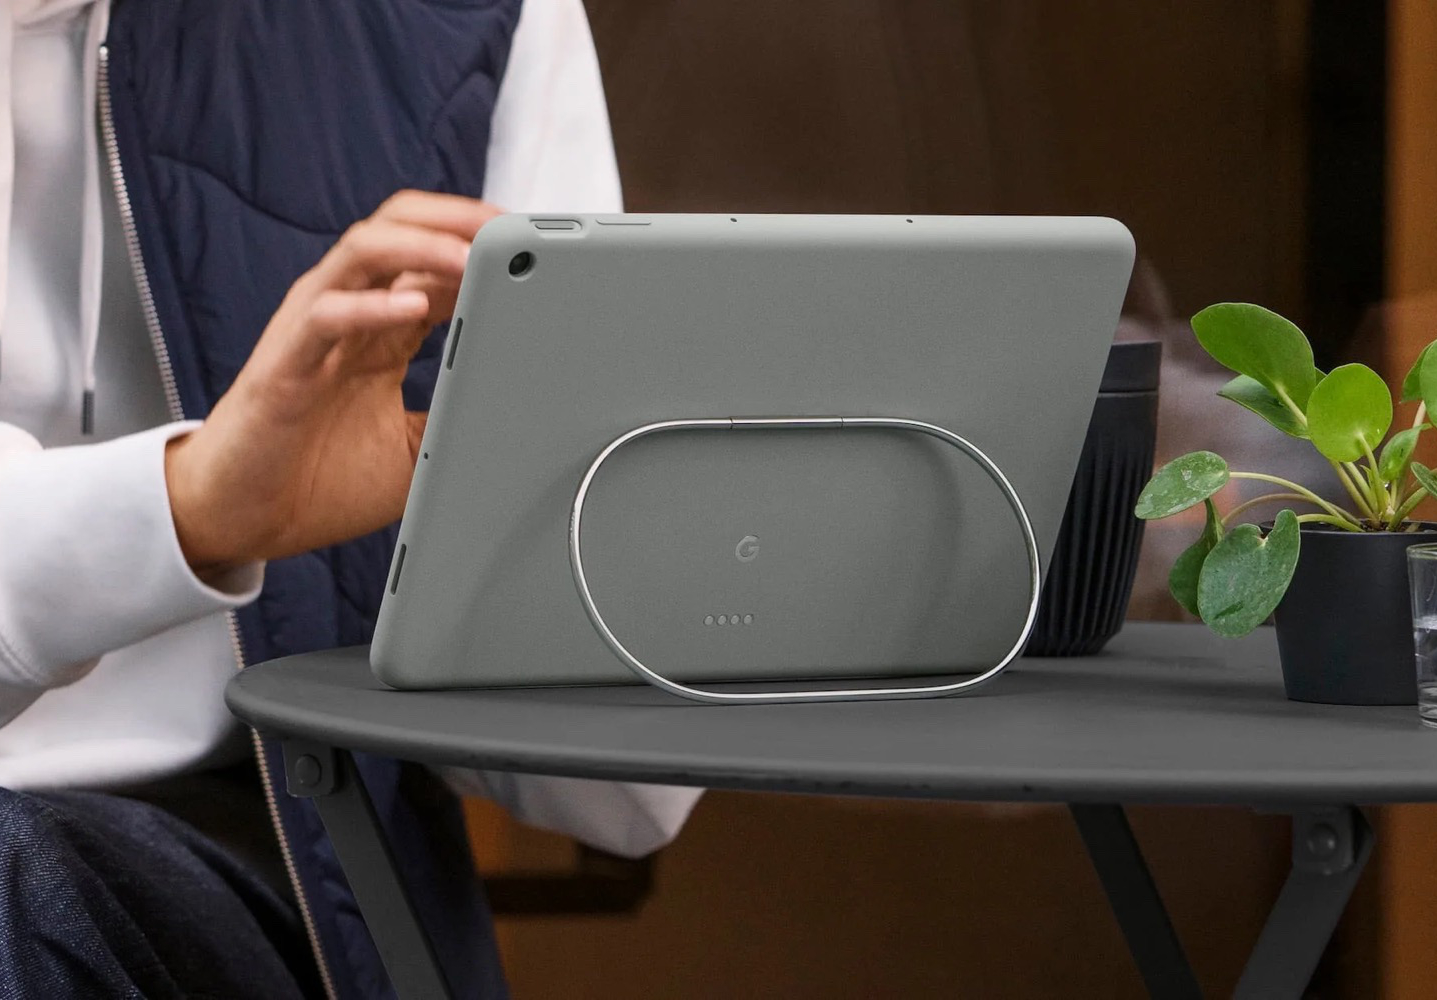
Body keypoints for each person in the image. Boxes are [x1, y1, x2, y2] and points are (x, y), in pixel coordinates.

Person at [0, 1, 701, 996]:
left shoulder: (473, 19)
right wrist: (188, 507)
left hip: (262, 845)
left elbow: (620, 794)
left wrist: (644, 536)